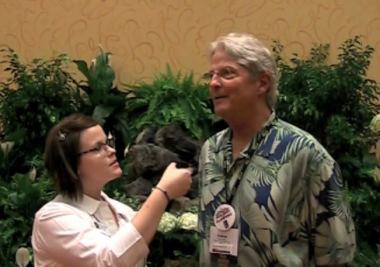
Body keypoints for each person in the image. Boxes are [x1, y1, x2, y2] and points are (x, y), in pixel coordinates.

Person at [198, 32, 356, 267]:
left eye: (227, 73)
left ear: (262, 83)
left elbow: (335, 254)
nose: (214, 83)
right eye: (212, 75)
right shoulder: (210, 150)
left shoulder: (305, 153)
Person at [31, 113, 193, 266]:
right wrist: (163, 193)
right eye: (98, 148)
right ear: (72, 163)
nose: (112, 151)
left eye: (108, 143)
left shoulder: (122, 211)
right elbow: (108, 261)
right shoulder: (52, 219)